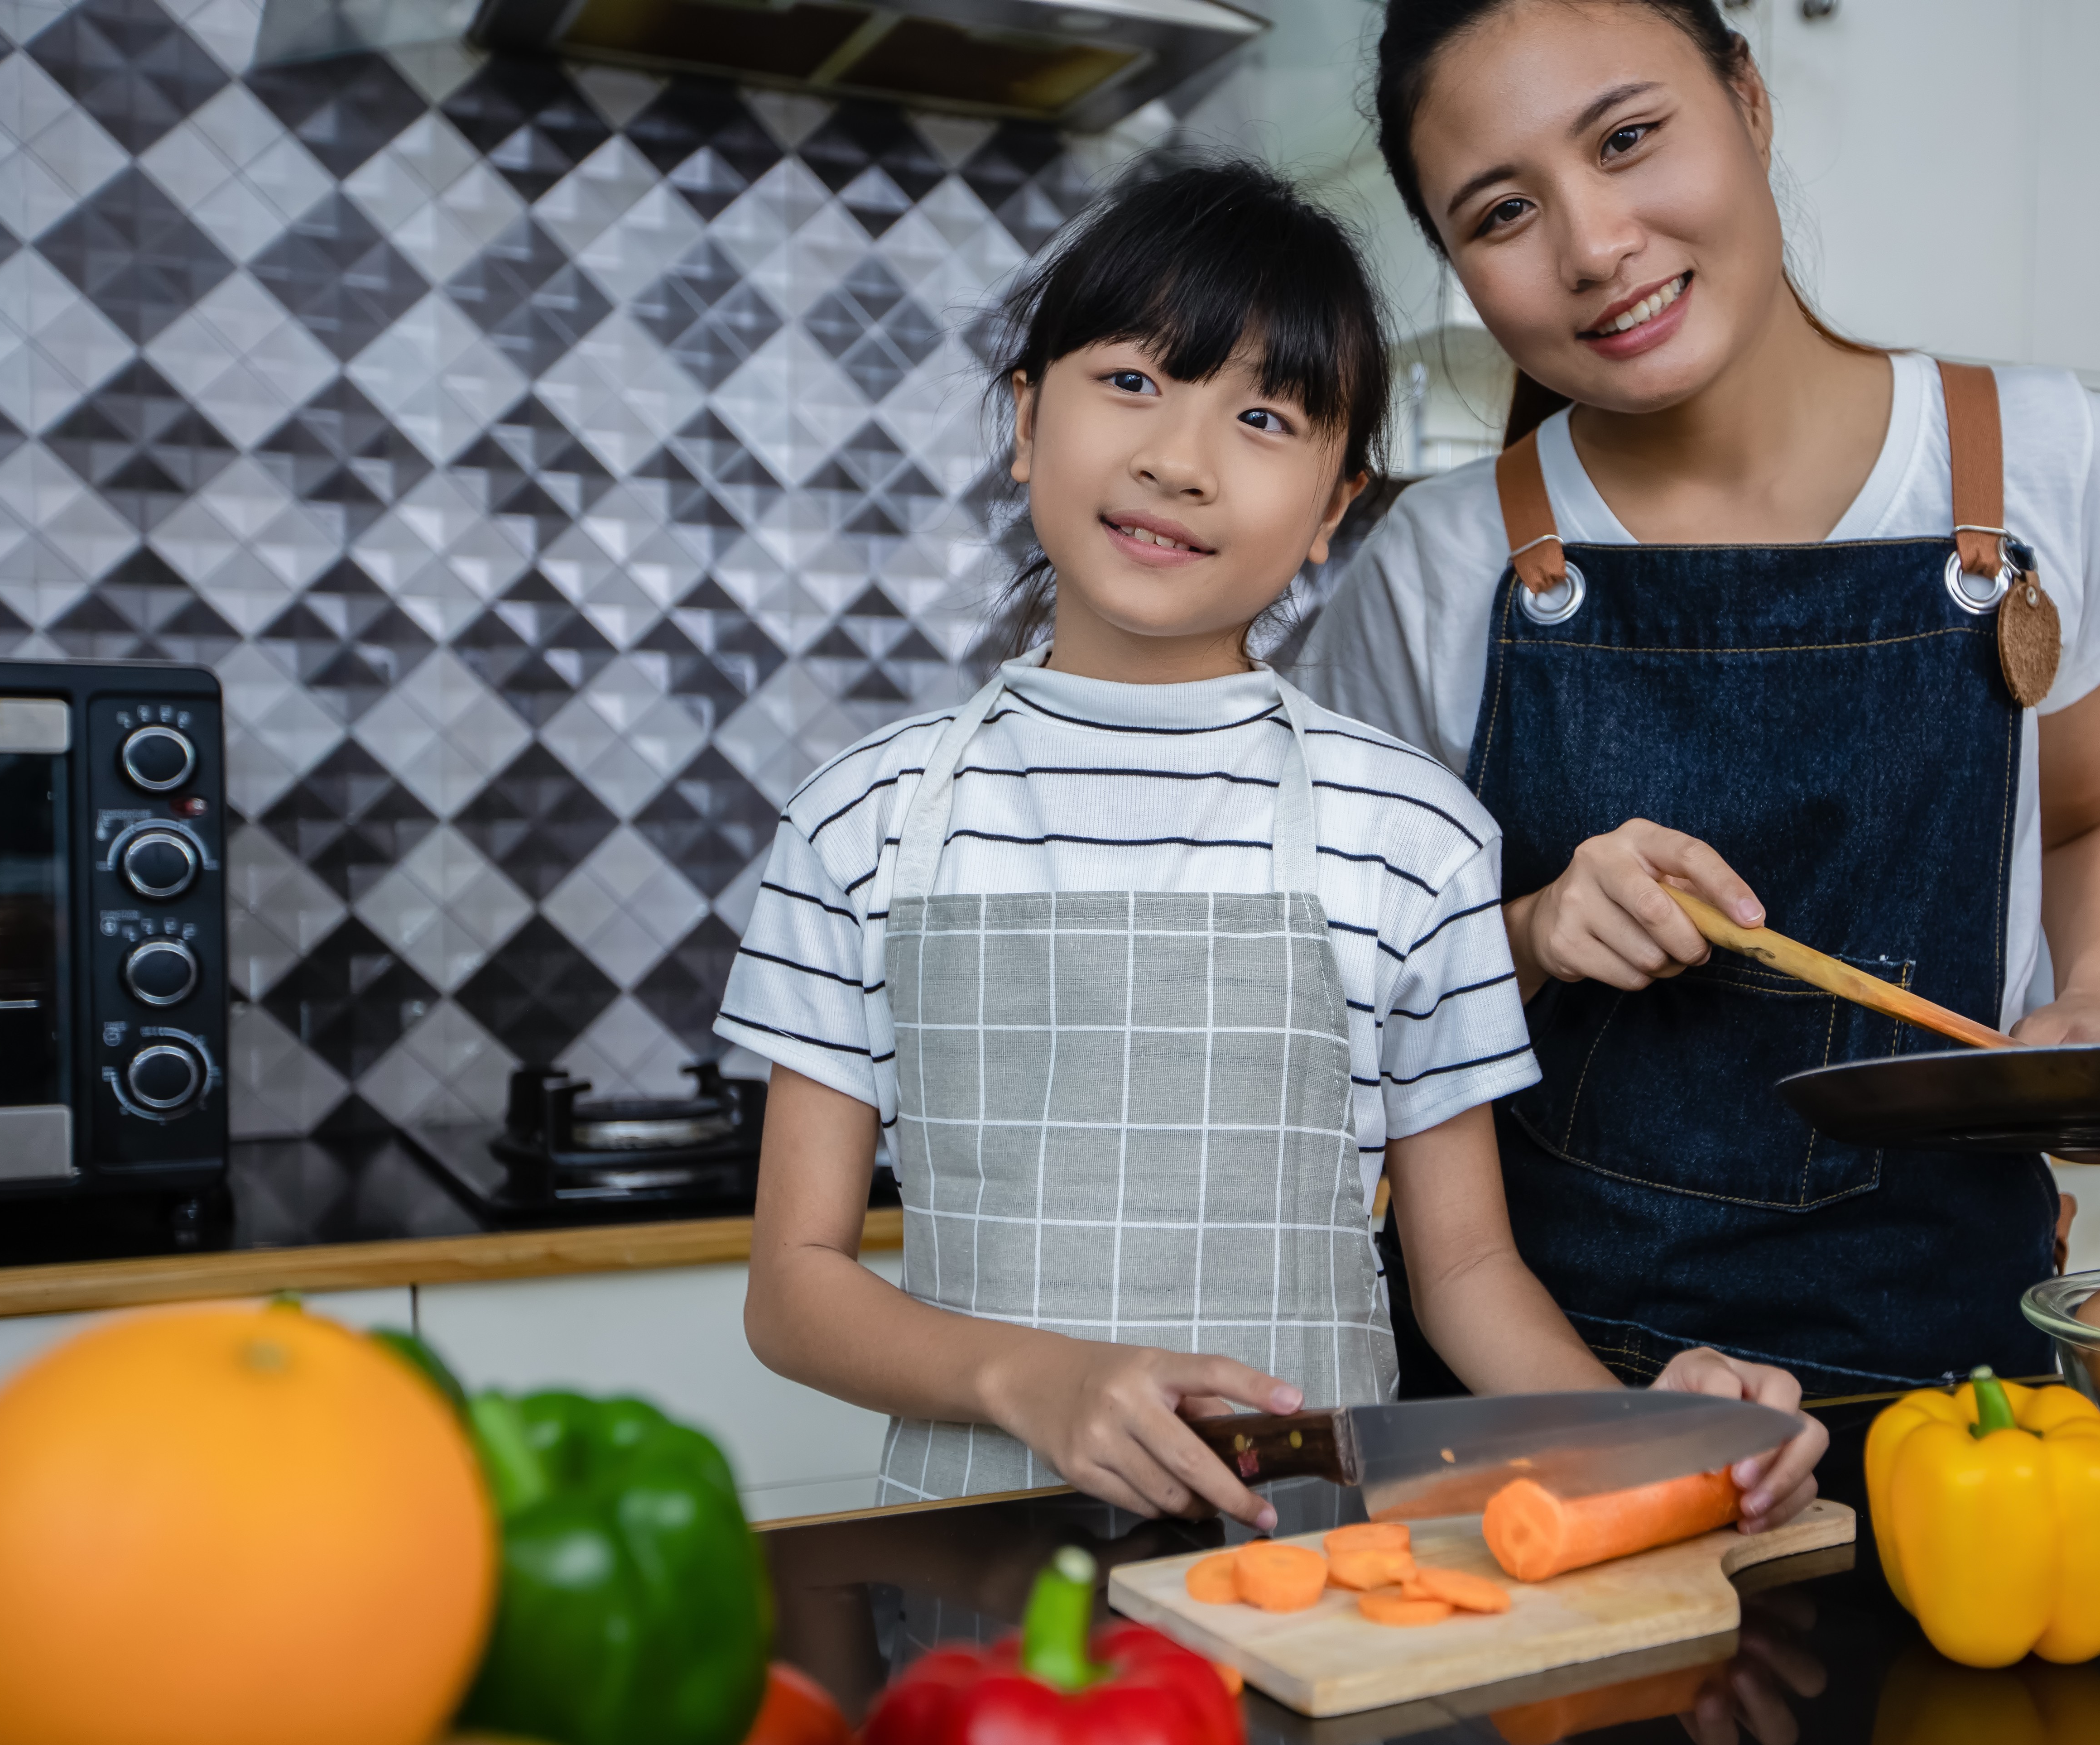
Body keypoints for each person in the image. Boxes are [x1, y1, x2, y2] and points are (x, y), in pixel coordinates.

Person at [722, 160, 1828, 1531]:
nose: (1176, 460)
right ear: (1025, 422)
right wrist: (1039, 1381)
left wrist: (1651, 1432)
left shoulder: (1414, 837)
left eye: (1260, 417)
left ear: (1332, 511)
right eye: (1130, 381)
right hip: (974, 1558)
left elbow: (1470, 1277)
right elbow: (796, 1289)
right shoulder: (861, 820)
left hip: (1313, 1567)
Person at [1293, 0, 2100, 1396]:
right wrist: (1527, 931)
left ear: (1749, 101)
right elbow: (1340, 1005)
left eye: (1630, 138)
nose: (1595, 247)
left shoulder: (2043, 456)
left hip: (1957, 1383)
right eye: (1504, 213)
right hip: (1551, 1390)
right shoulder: (1436, 562)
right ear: (1460, 266)